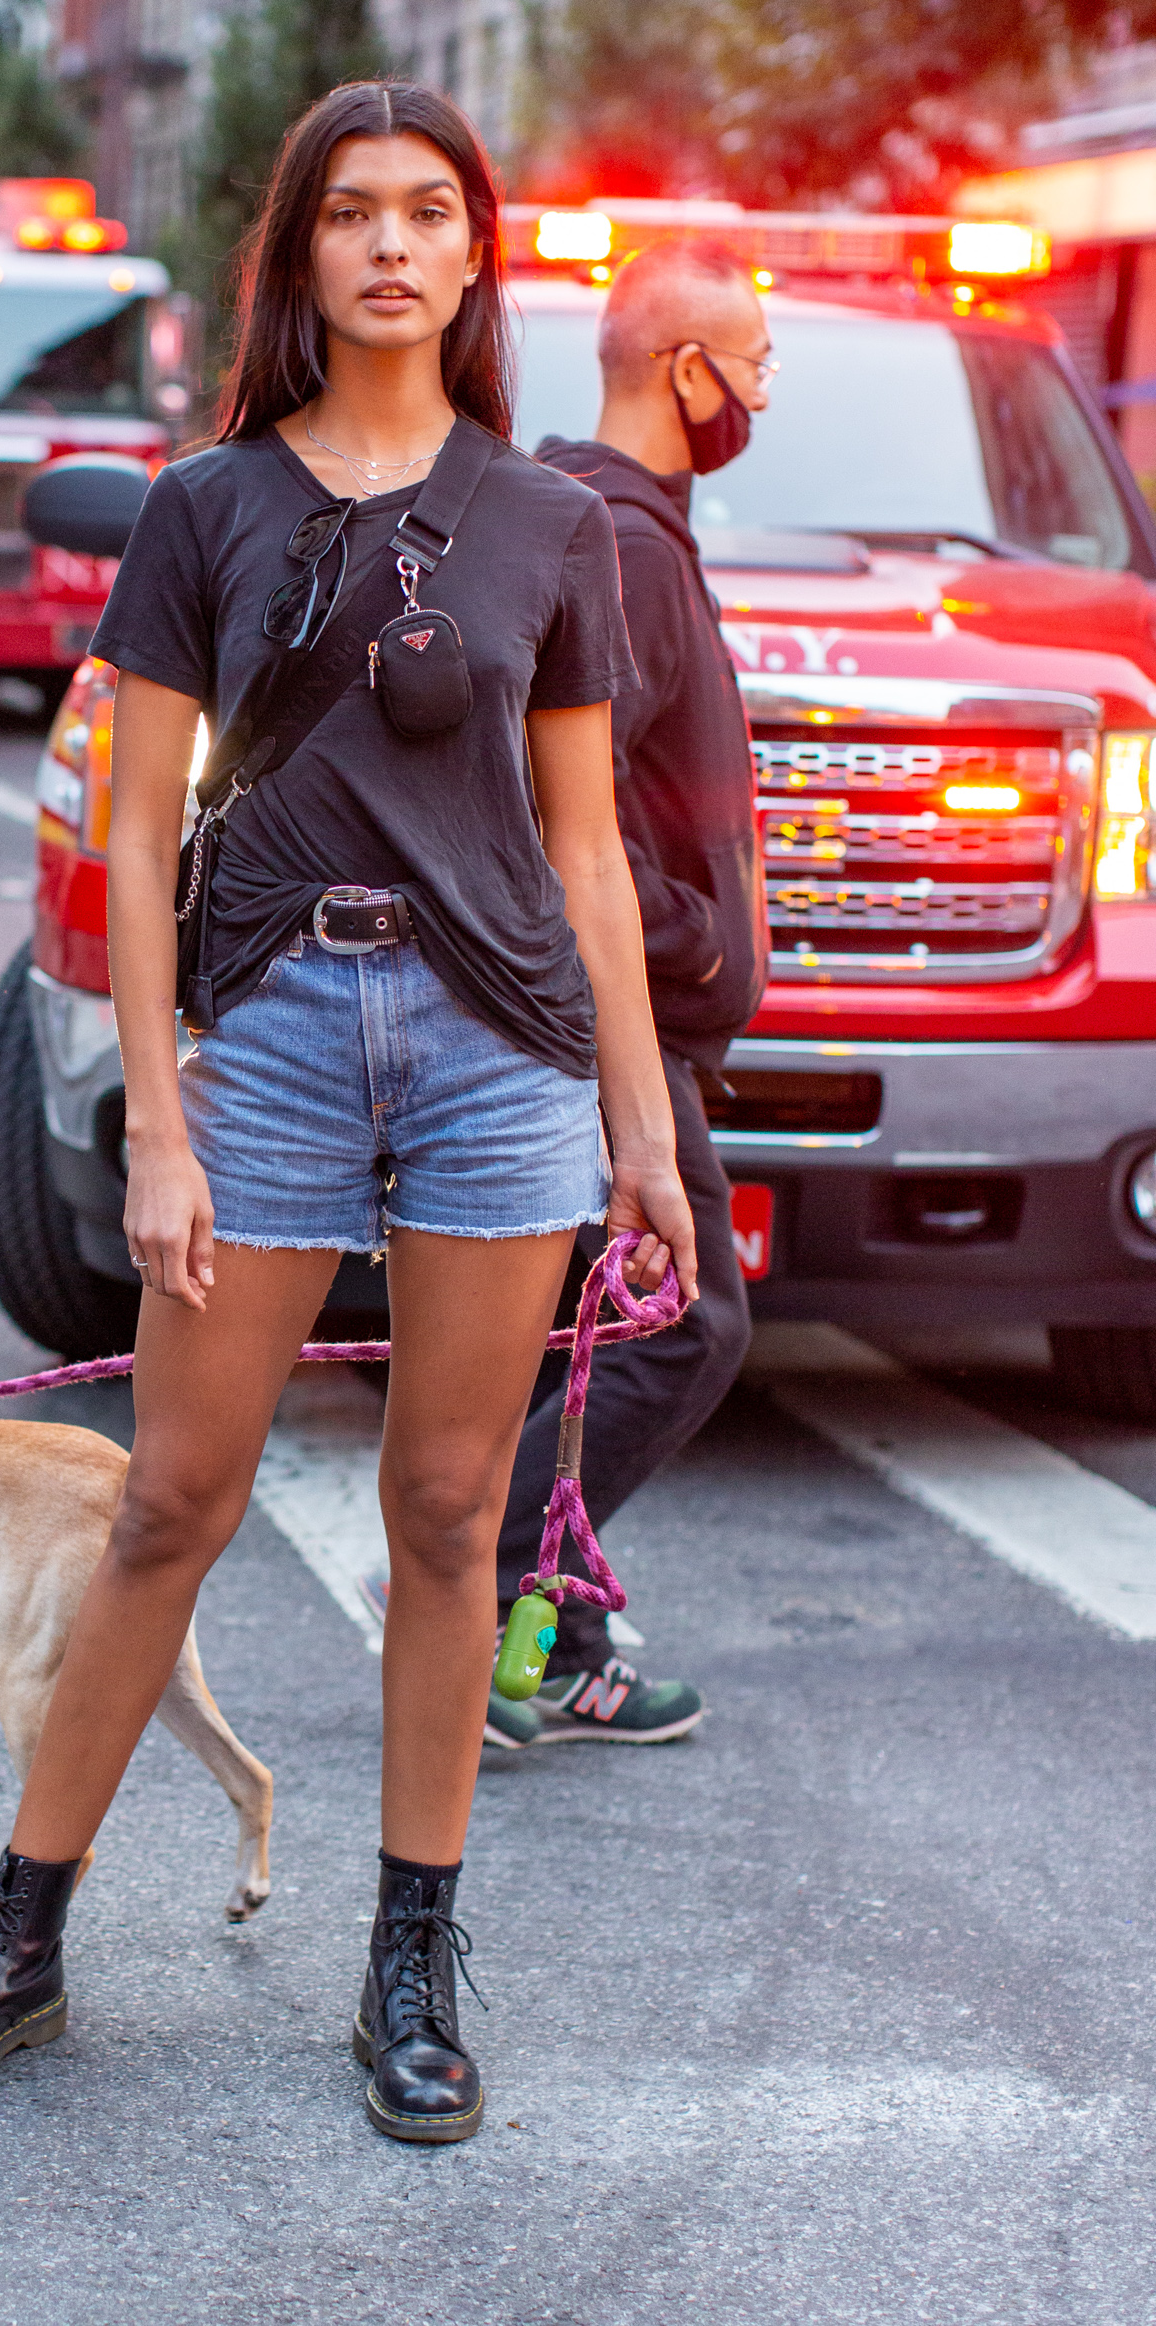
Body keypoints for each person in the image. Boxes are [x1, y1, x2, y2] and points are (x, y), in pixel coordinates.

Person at [0, 84, 695, 2145]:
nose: (393, 246)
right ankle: (24, 1929)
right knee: (169, 1499)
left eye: (429, 213)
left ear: (478, 254)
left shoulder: (553, 526)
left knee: (445, 1512)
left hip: (503, 1053)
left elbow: (589, 861)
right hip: (280, 1038)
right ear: (304, 257)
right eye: (353, 215)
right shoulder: (205, 509)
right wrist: (158, 1119)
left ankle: (412, 1950)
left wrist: (646, 1136)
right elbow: (143, 833)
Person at [489, 239, 772, 1749]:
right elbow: (556, 816)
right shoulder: (630, 547)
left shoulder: (594, 521)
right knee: (690, 1324)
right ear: (687, 371)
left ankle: (559, 1642)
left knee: (600, 1333)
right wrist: (700, 945)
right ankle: (485, 1585)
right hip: (627, 1012)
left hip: (628, 1004)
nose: (760, 394)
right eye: (757, 364)